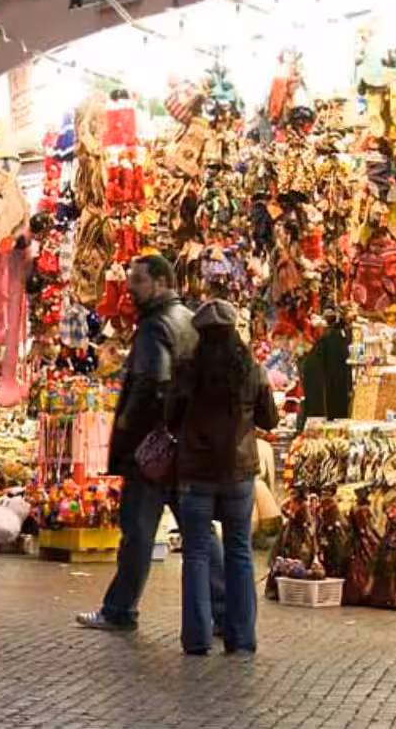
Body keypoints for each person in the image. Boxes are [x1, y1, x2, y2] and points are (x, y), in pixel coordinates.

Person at [77, 253, 204, 632]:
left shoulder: (154, 326)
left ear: (162, 282)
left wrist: (132, 431)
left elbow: (151, 384)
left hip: (152, 450)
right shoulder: (189, 320)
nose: (130, 289)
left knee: (137, 532)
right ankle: (222, 605)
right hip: (183, 443)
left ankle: (119, 610)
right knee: (196, 532)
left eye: (138, 281)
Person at [166, 298, 276, 655]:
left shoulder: (187, 370)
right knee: (240, 553)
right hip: (239, 473)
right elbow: (269, 420)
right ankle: (242, 639)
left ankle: (197, 640)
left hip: (195, 473)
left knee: (196, 554)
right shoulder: (252, 370)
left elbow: (171, 419)